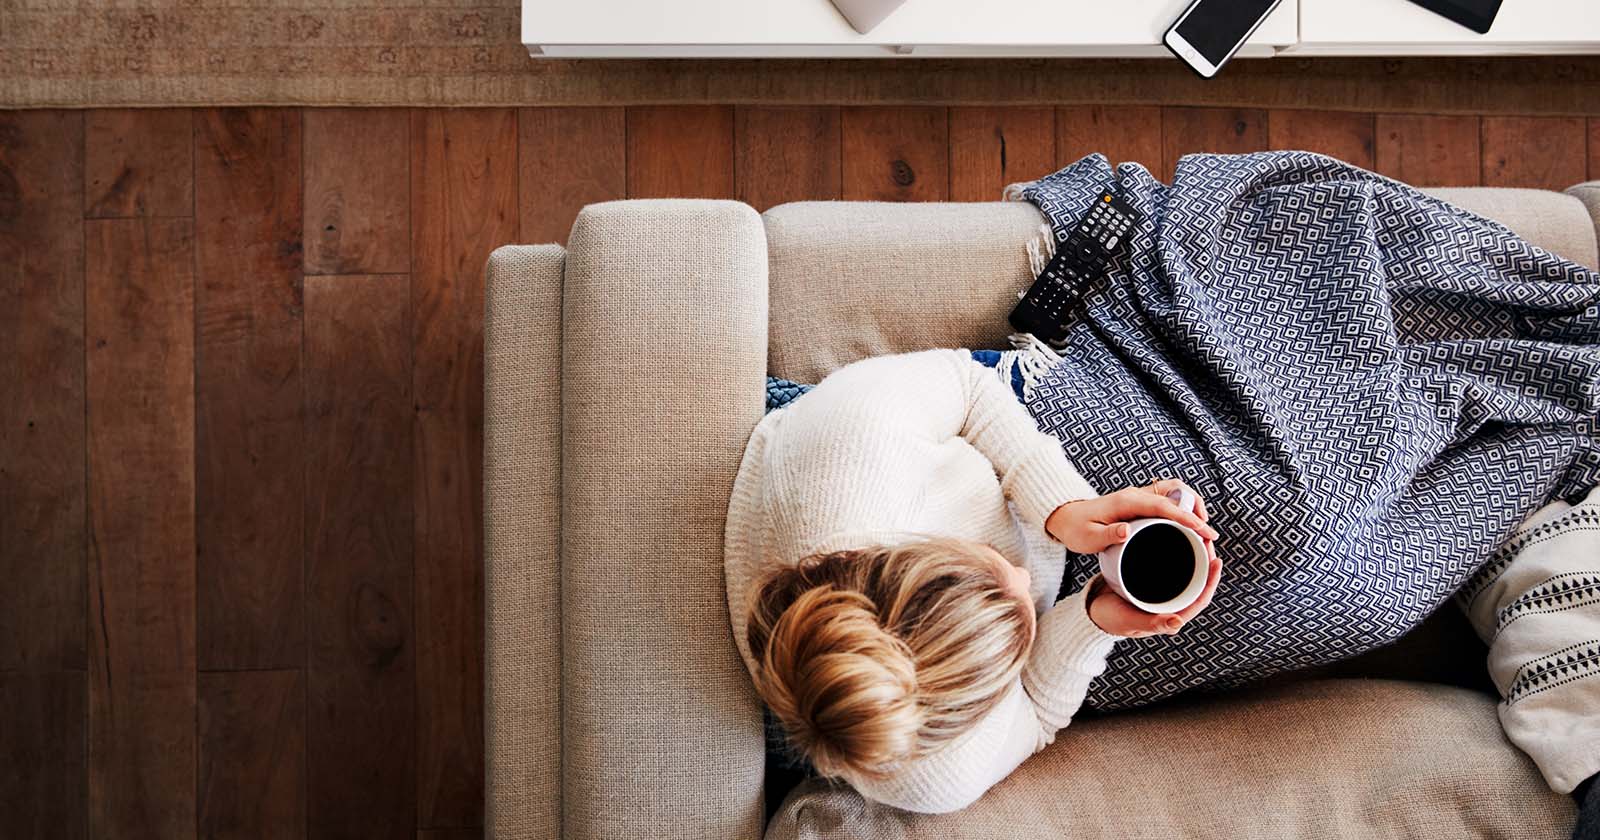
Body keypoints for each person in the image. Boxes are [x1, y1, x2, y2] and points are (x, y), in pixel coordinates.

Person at [723, 347, 1600, 834]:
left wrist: (1063, 507)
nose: (1025, 594)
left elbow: (964, 387)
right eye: (1014, 629)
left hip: (999, 444)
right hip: (1067, 606)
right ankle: (1512, 483)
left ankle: (1510, 405)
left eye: (1000, 587)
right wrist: (1095, 621)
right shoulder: (925, 767)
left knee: (1293, 501)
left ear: (897, 560)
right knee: (1346, 597)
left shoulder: (846, 454)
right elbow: (1032, 714)